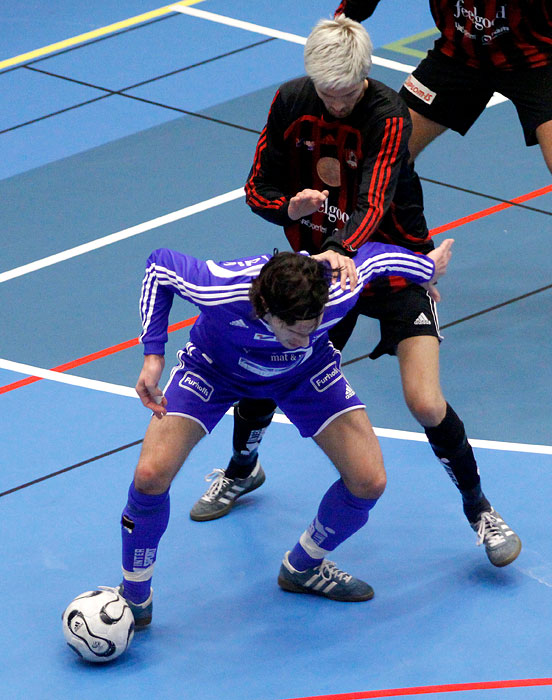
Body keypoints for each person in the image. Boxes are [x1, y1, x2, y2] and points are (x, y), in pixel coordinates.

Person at [189, 15, 522, 570]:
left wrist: (344, 248)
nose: (337, 105)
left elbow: (373, 201)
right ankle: (242, 469)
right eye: (327, 94)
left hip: (388, 264)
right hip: (322, 267)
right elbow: (256, 187)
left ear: (364, 78)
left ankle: (480, 510)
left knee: (424, 400)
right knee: (269, 367)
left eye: (346, 94)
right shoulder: (291, 102)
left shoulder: (387, 115)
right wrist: (285, 209)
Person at [117, 238, 451, 626]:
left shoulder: (336, 290)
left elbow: (378, 258)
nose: (303, 336)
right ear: (265, 309)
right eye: (294, 329)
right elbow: (160, 265)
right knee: (149, 475)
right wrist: (153, 354)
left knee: (369, 480)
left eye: (313, 326)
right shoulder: (222, 287)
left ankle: (303, 567)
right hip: (214, 370)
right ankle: (136, 598)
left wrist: (428, 269)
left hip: (304, 374)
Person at [334, 0, 552, 168]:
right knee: (383, 153)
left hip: (539, 60)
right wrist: (344, 21)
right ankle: (403, 226)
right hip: (458, 57)